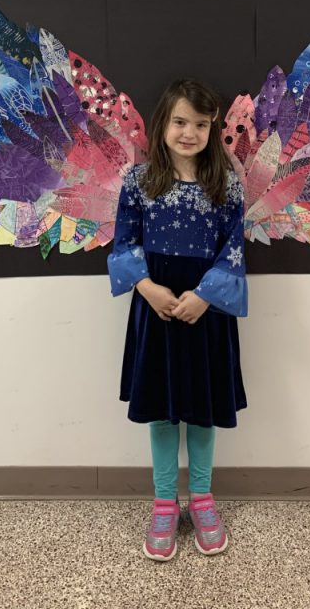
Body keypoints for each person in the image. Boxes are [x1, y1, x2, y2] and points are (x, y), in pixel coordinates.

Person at [107, 78, 248, 561]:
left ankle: (203, 497)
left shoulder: (226, 185)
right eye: (180, 122)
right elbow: (123, 243)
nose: (189, 132)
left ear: (213, 129)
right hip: (157, 309)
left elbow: (234, 249)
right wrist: (146, 287)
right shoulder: (138, 181)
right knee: (163, 410)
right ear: (163, 123)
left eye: (201, 124)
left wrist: (206, 296)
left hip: (205, 312)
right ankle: (165, 502)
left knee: (202, 407)